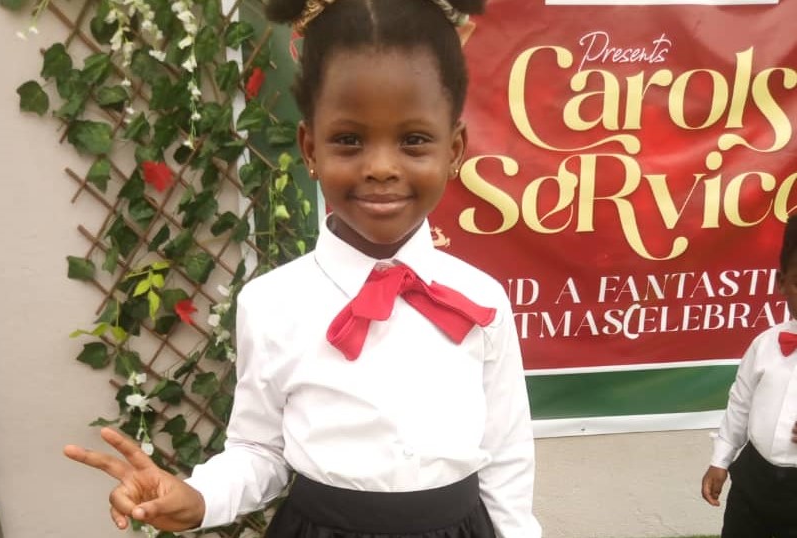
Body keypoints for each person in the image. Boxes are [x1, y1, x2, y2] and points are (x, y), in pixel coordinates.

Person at [63, 0, 543, 536]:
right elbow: (259, 449)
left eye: (413, 140)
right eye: (349, 140)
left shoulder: (484, 299)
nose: (381, 167)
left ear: (453, 148)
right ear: (310, 147)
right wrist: (201, 498)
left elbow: (505, 453)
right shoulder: (270, 304)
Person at [701, 214, 797, 537]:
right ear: (781, 282)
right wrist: (720, 459)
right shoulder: (765, 344)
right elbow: (740, 404)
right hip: (753, 481)